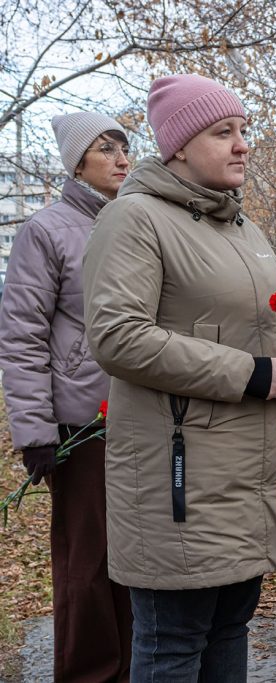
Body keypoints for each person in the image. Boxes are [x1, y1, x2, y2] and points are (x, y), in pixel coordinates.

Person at [82, 74, 276, 682]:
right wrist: (254, 376)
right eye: (224, 132)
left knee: (228, 631)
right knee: (173, 646)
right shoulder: (134, 219)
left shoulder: (242, 228)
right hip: (176, 485)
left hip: (246, 478)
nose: (243, 145)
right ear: (179, 145)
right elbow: (118, 336)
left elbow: (271, 329)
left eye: (244, 131)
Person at [0, 112, 133, 681]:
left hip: (142, 419)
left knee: (136, 560)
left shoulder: (134, 222)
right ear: (77, 162)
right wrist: (35, 432)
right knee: (88, 565)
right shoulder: (46, 230)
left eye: (125, 146)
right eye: (107, 149)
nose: (122, 158)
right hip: (82, 427)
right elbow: (22, 335)